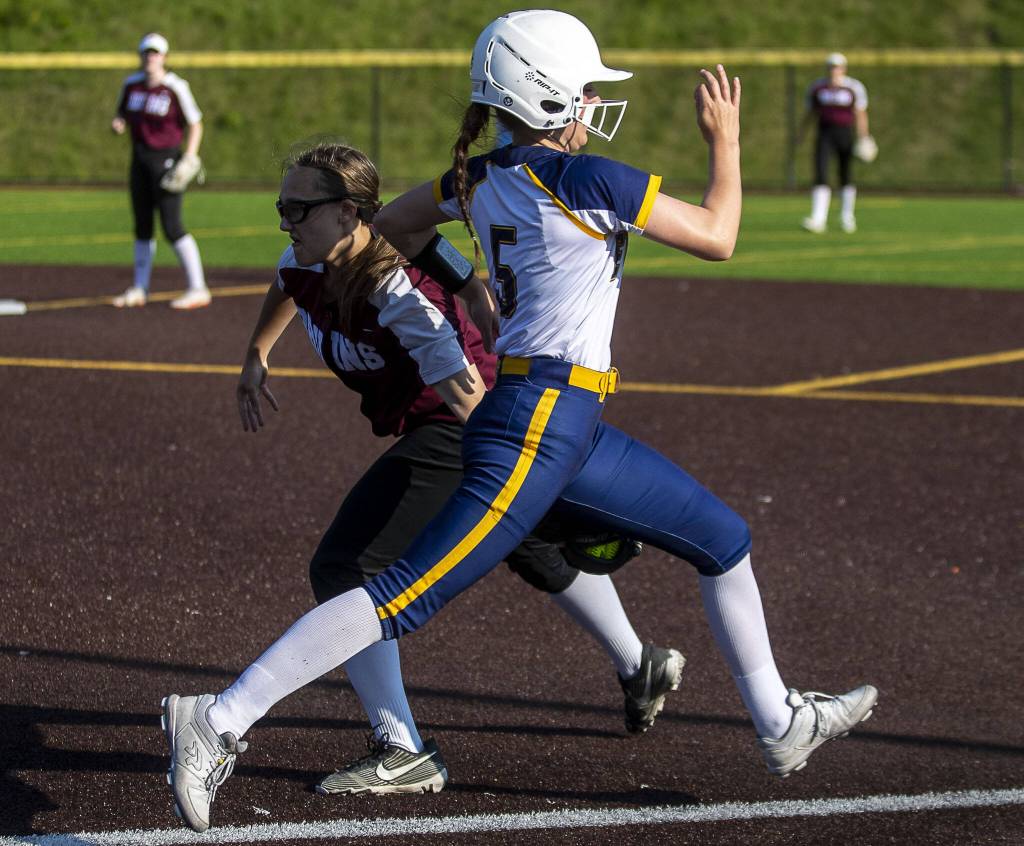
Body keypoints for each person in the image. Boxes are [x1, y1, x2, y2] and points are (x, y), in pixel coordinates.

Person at [162, 11, 877, 832]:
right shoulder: (590, 179)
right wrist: (727, 140)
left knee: (724, 540)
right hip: (542, 417)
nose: (592, 106)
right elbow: (719, 235)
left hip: (557, 416)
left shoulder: (477, 178)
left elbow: (391, 224)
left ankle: (781, 723)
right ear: (545, 95)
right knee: (399, 594)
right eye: (584, 92)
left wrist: (472, 278)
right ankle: (217, 720)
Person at [169, 139, 683, 819]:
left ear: (350, 212)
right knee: (525, 545)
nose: (284, 221)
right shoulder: (311, 257)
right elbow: (287, 281)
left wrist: (524, 469)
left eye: (298, 208)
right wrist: (256, 354)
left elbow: (464, 387)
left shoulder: (393, 286)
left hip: (464, 419)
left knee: (348, 565)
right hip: (454, 419)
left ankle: (400, 747)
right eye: (281, 207)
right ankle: (638, 662)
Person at [110, 33, 211, 309]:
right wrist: (118, 123)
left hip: (166, 160)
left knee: (171, 225)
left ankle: (198, 287)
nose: (150, 58)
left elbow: (196, 122)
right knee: (142, 225)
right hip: (140, 160)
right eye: (146, 53)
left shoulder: (175, 86)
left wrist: (190, 157)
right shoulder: (131, 85)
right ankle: (140, 288)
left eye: (155, 53)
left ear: (164, 57)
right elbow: (121, 113)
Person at [798, 52, 872, 234]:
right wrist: (801, 134)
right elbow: (810, 113)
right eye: (831, 66)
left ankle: (847, 217)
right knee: (821, 173)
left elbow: (860, 113)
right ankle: (818, 219)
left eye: (837, 67)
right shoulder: (818, 88)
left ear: (844, 69)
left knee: (845, 175)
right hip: (824, 133)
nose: (834, 70)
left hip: (845, 134)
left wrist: (864, 136)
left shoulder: (853, 87)